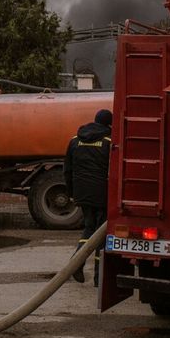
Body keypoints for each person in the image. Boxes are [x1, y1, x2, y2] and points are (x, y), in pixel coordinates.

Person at [64, 108, 114, 285]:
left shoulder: (75, 140)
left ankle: (77, 264)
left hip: (82, 192)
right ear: (109, 124)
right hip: (101, 193)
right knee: (101, 232)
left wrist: (72, 194)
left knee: (89, 228)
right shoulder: (109, 141)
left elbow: (67, 170)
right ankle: (99, 277)